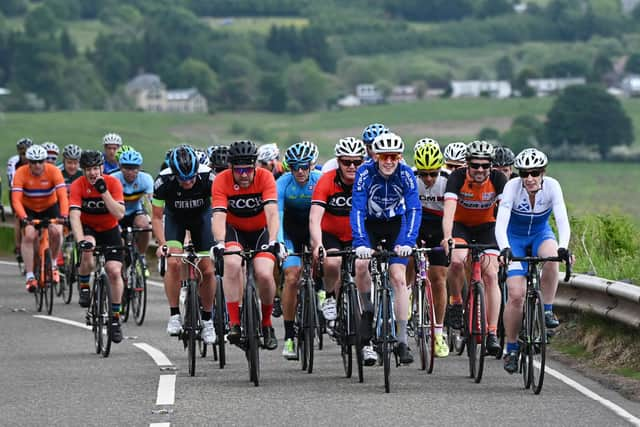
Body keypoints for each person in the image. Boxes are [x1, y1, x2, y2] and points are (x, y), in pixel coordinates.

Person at [495, 148, 572, 373]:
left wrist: (564, 247)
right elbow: (501, 223)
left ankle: (547, 310)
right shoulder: (511, 188)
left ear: (543, 173)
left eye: (535, 173)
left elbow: (562, 219)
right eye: (524, 173)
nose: (529, 178)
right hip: (514, 238)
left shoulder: (553, 187)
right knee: (516, 295)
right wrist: (505, 248)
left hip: (540, 233)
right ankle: (511, 348)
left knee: (551, 256)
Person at [351, 132, 421, 365]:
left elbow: (413, 210)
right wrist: (361, 242)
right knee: (361, 265)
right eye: (384, 157)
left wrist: (408, 243)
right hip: (370, 224)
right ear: (375, 156)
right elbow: (358, 209)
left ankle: (401, 340)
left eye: (394, 156)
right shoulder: (364, 173)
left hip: (395, 226)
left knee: (398, 277)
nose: (389, 161)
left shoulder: (406, 174)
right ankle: (368, 310)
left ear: (399, 157)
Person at [210, 140, 285, 351]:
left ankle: (267, 323)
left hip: (261, 232)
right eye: (239, 170)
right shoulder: (221, 181)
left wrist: (273, 241)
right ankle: (234, 322)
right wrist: (219, 243)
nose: (244, 175)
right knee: (232, 264)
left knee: (264, 273)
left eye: (248, 170)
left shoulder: (265, 177)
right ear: (231, 168)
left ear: (255, 167)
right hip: (235, 231)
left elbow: (271, 212)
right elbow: (218, 215)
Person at [441, 140, 507, 357]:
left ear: (491, 166)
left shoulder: (499, 179)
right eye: (475, 165)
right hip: (461, 227)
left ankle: (492, 333)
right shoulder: (457, 177)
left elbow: (505, 213)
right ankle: (456, 303)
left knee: (491, 274)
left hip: (488, 228)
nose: (480, 170)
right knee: (458, 259)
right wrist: (448, 237)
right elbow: (449, 210)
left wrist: (506, 244)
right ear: (467, 164)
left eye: (485, 165)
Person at [151, 145, 217, 345]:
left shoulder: (209, 178)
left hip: (202, 220)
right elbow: (156, 217)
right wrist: (163, 244)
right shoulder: (163, 181)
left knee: (207, 269)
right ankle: (174, 315)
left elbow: (219, 211)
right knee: (173, 262)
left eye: (191, 178)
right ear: (174, 174)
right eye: (182, 179)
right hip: (175, 221)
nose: (187, 183)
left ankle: (207, 320)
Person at [310, 137, 365, 330]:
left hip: (358, 234)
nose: (352, 166)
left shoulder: (367, 181)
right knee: (333, 262)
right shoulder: (327, 180)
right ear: (338, 161)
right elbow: (315, 217)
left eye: (357, 162)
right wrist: (317, 244)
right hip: (330, 233)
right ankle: (330, 297)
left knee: (363, 268)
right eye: (346, 161)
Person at [69, 150, 125, 342]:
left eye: (95, 169)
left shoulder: (113, 183)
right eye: (88, 170)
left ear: (101, 168)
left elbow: (119, 214)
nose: (92, 173)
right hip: (88, 228)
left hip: (110, 230)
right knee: (88, 247)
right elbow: (74, 216)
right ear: (83, 170)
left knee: (114, 271)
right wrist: (79, 239)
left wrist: (104, 192)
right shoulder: (78, 185)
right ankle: (84, 284)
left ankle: (115, 319)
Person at [276, 141, 322, 359]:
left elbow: (327, 214)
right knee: (292, 277)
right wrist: (280, 244)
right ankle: (289, 337)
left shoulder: (319, 180)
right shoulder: (283, 183)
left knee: (322, 258)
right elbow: (278, 215)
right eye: (295, 167)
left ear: (311, 165)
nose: (300, 171)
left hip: (314, 229)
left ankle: (321, 291)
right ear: (289, 168)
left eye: (304, 166)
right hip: (290, 233)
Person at [11, 145, 68, 292]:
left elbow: (62, 196)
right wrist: (23, 217)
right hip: (29, 208)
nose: (37, 165)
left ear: (45, 161)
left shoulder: (53, 171)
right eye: (33, 162)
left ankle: (54, 263)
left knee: (56, 232)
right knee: (29, 235)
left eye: (40, 161)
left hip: (50, 206)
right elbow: (16, 200)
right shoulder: (20, 173)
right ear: (28, 162)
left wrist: (64, 215)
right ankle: (30, 276)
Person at [412, 140, 450, 357]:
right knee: (406, 255)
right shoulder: (409, 177)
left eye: (432, 174)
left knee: (438, 278)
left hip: (438, 226)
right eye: (424, 174)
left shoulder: (447, 180)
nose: (428, 179)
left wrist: (448, 237)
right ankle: (408, 293)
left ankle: (438, 333)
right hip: (416, 224)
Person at [112, 150, 154, 274]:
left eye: (134, 168)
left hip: (135, 212)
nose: (130, 172)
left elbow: (148, 203)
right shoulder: (114, 179)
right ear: (120, 167)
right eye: (127, 168)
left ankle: (141, 257)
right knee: (121, 244)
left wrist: (152, 221)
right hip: (117, 214)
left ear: (139, 168)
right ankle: (122, 269)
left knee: (145, 226)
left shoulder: (146, 179)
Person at [321, 123, 389, 173]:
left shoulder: (397, 162)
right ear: (366, 147)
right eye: (372, 147)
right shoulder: (358, 159)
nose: (376, 152)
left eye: (381, 147)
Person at [8, 138, 33, 264]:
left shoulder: (35, 161)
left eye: (26, 154)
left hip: (30, 192)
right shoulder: (13, 161)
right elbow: (13, 181)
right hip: (16, 191)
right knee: (19, 217)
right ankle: (18, 247)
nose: (25, 157)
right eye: (22, 154)